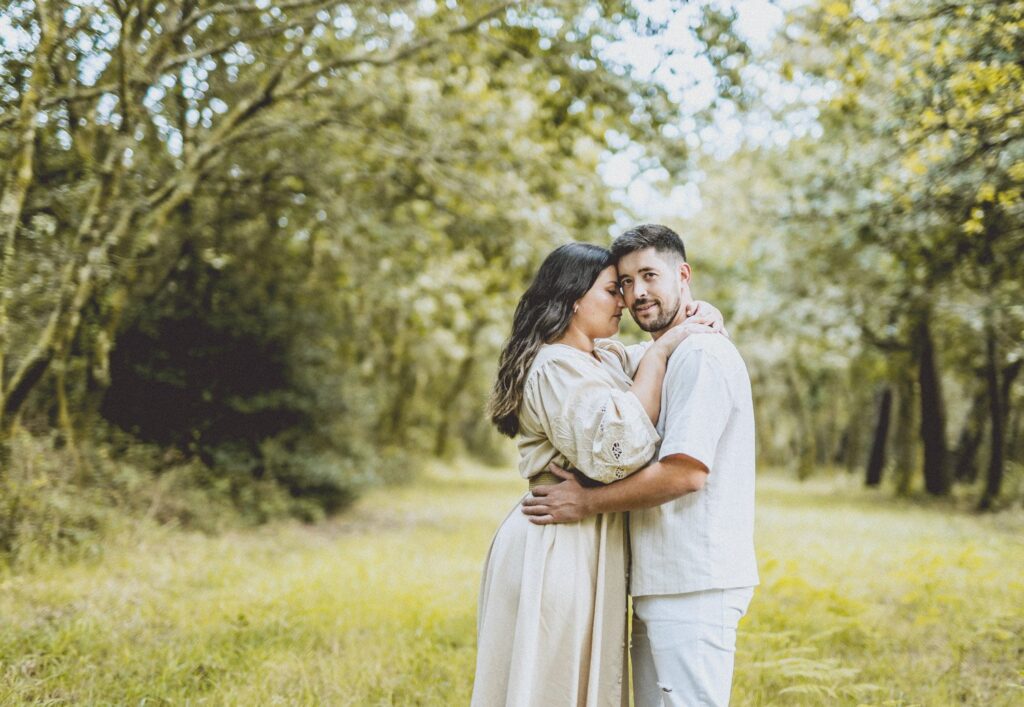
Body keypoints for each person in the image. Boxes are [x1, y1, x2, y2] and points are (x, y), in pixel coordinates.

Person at [471, 242, 722, 707]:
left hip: (585, 536)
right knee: (550, 682)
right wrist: (663, 349)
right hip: (554, 542)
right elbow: (617, 448)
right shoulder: (553, 365)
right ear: (573, 298)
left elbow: (640, 367)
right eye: (613, 289)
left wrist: (693, 314)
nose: (625, 301)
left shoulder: (599, 357)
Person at [523, 225, 758, 707]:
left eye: (649, 275)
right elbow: (624, 375)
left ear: (683, 275)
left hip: (695, 579)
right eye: (625, 282)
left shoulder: (700, 355)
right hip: (660, 578)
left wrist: (587, 502)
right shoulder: (651, 356)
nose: (636, 294)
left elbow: (686, 473)